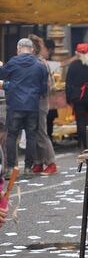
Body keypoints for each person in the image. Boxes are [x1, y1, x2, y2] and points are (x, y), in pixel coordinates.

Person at [0, 38, 48, 176]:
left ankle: (10, 168)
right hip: (32, 106)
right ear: (32, 49)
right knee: (31, 137)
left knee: (11, 136)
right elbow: (44, 89)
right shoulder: (40, 65)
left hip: (15, 105)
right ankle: (28, 168)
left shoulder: (13, 63)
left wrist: (8, 83)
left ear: (18, 49)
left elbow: (2, 75)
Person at [27, 35, 57, 175]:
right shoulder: (32, 61)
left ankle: (51, 162)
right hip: (30, 101)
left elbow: (49, 86)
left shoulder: (40, 63)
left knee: (41, 133)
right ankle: (38, 162)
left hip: (39, 101)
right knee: (33, 133)